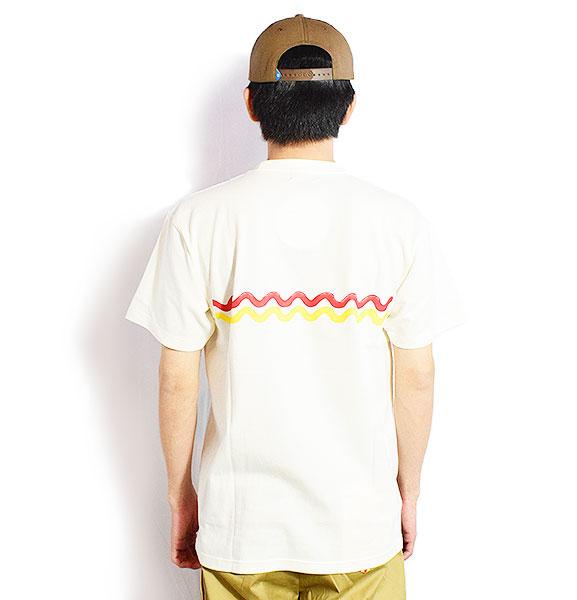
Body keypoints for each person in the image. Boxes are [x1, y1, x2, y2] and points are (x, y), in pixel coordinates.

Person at [125, 13, 464, 600]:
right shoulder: (398, 222)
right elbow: (417, 375)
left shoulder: (198, 220)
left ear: (251, 104)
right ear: (348, 107)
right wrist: (408, 491)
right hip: (360, 529)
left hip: (241, 531)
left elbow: (177, 377)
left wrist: (181, 496)